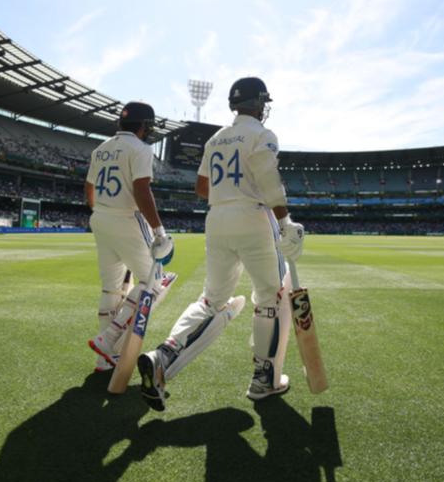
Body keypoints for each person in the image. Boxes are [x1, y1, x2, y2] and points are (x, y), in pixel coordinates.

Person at [136, 77, 305, 411]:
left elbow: (201, 187)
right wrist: (285, 223)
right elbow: (270, 182)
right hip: (253, 218)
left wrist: (229, 196)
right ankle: (263, 379)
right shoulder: (262, 135)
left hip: (216, 220)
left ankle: (164, 353)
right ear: (259, 104)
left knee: (211, 299)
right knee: (269, 299)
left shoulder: (215, 139)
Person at [85, 102, 176, 372]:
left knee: (111, 288)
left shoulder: (100, 149)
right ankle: (109, 339)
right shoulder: (140, 148)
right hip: (127, 218)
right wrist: (159, 230)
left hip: (100, 218)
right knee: (155, 280)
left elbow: (88, 188)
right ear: (143, 126)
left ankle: (104, 359)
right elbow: (141, 190)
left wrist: (102, 211)